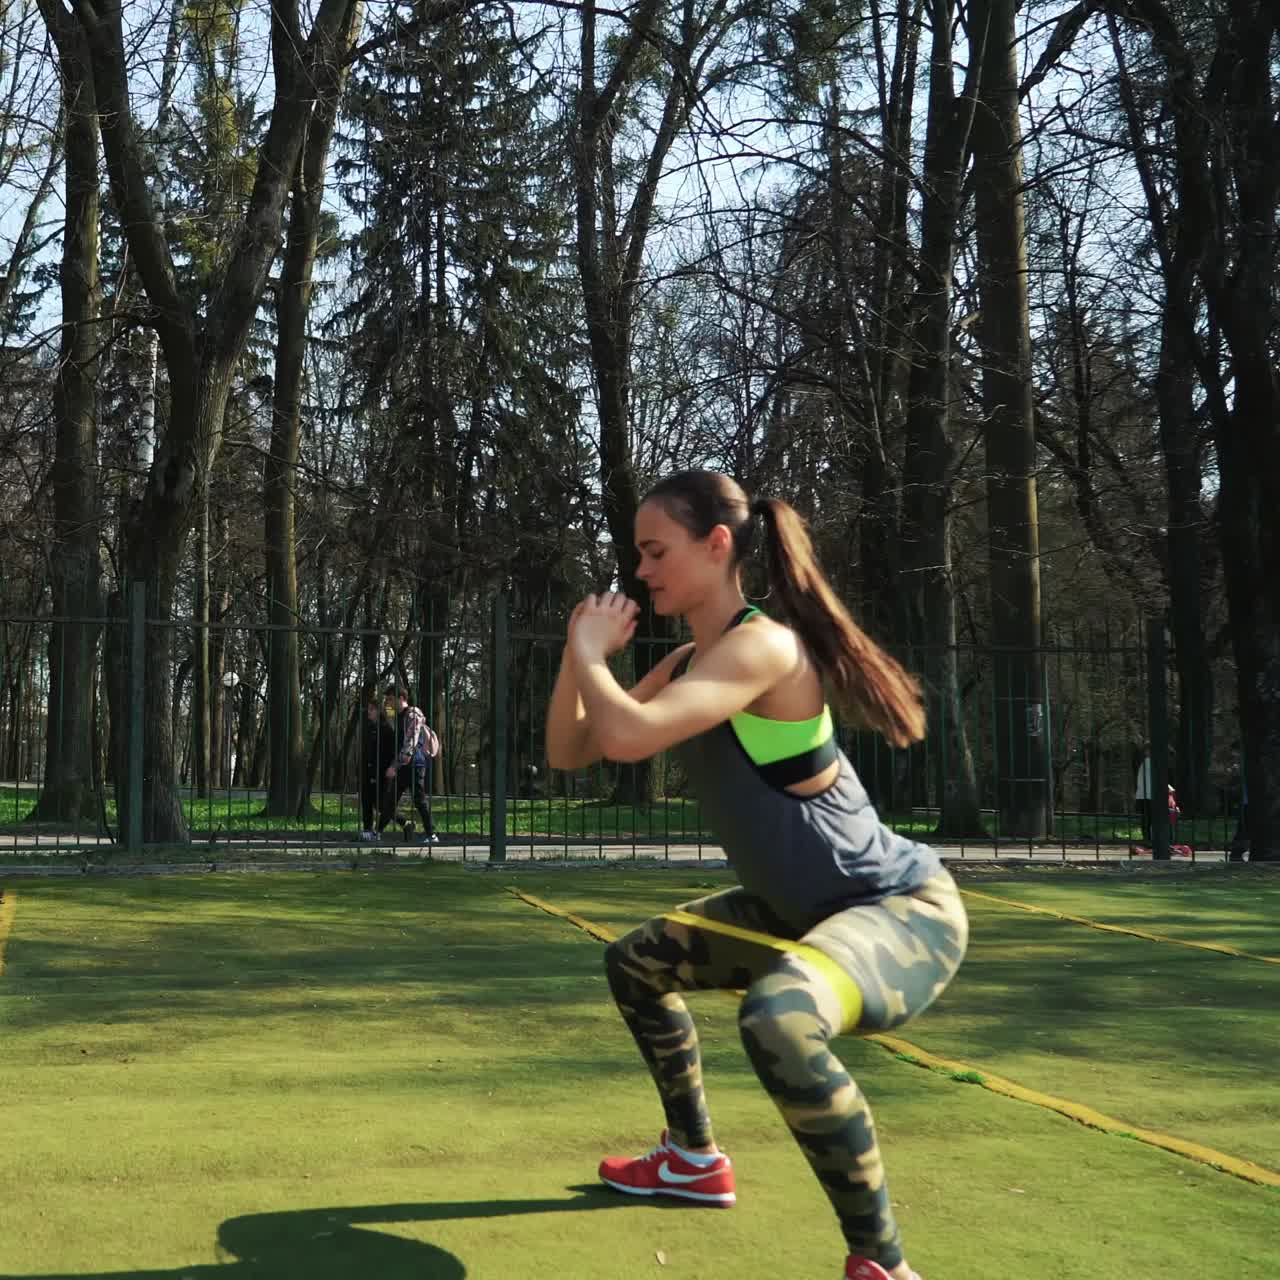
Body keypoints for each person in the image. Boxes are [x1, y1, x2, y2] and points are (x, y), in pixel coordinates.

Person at [545, 471, 968, 1280]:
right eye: (638, 553)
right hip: (794, 914)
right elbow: (574, 751)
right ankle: (693, 1160)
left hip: (899, 911)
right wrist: (579, 652)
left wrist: (595, 655)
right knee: (635, 963)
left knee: (778, 1018)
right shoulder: (684, 663)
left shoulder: (764, 646)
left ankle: (883, 1266)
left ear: (718, 546)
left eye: (655, 550)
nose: (641, 570)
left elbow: (629, 738)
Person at [382, 686, 441, 846]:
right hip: (404, 764)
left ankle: (432, 834)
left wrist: (397, 763)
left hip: (414, 763)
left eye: (390, 698)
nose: (388, 702)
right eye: (387, 699)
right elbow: (389, 719)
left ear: (401, 698)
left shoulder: (413, 714)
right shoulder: (397, 715)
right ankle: (377, 832)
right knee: (391, 798)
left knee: (419, 800)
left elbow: (411, 740)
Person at [359, 696, 397, 842]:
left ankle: (370, 830)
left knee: (379, 803)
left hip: (380, 772)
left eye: (372, 709)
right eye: (369, 709)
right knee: (368, 800)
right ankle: (368, 829)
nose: (369, 712)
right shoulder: (370, 727)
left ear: (380, 711)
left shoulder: (386, 729)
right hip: (368, 770)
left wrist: (379, 771)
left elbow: (386, 753)